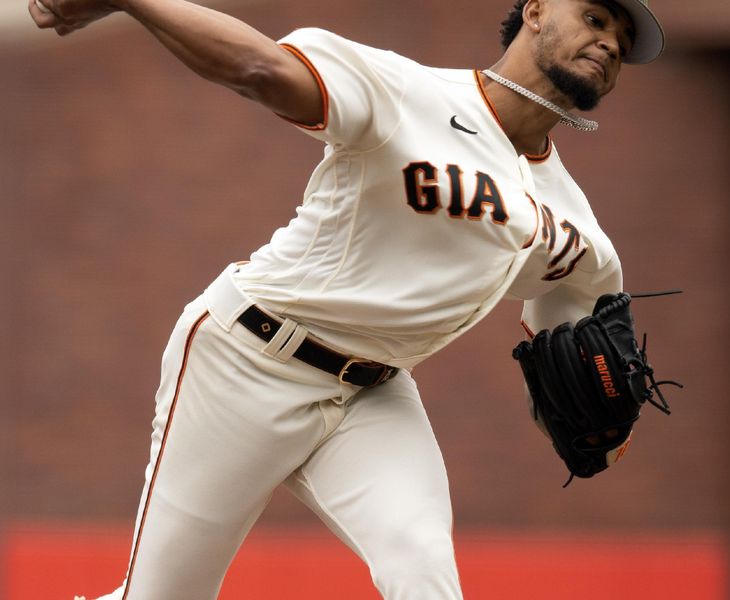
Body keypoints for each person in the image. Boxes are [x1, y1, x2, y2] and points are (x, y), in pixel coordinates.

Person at [29, 0, 666, 598]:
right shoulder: (405, 91)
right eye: (593, 16)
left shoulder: (579, 230)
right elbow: (259, 68)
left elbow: (575, 374)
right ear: (533, 10)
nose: (609, 41)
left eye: (623, 40)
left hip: (374, 394)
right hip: (247, 360)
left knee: (424, 573)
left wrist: (604, 434)